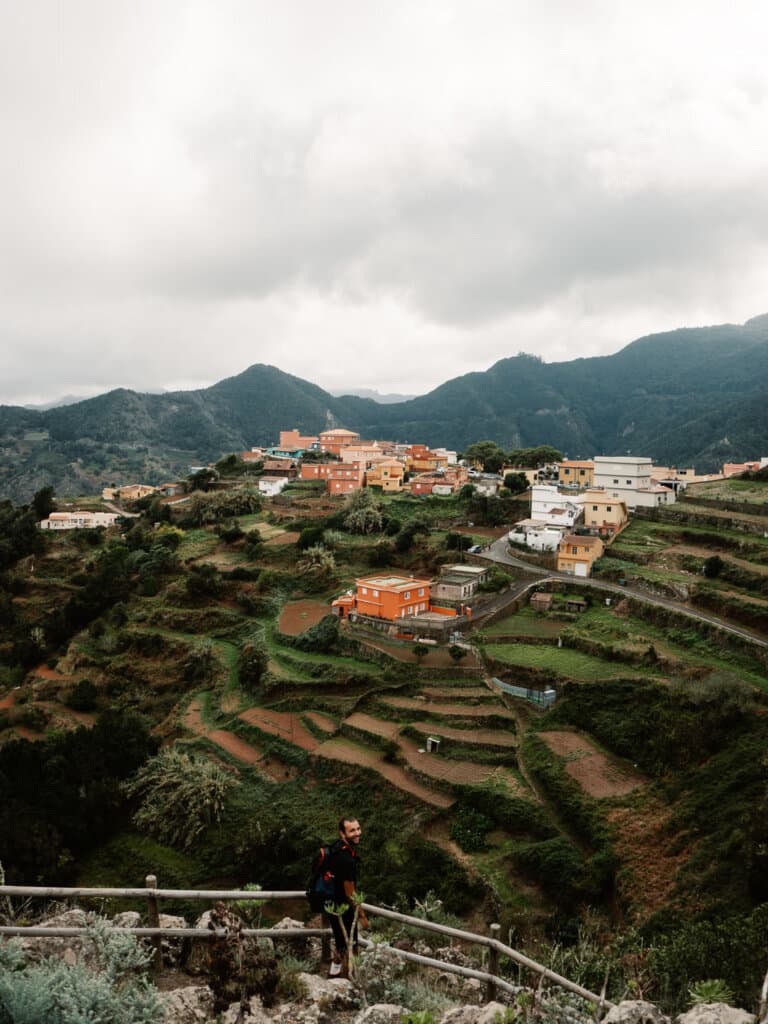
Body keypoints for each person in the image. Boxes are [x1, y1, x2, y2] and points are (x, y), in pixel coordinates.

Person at [326, 815, 368, 978]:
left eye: (358, 829)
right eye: (352, 831)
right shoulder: (345, 859)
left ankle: (333, 973)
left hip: (331, 903)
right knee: (352, 946)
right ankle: (353, 979)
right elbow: (350, 893)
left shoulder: (337, 848)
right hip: (343, 907)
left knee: (341, 943)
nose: (357, 833)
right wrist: (363, 916)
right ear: (342, 834)